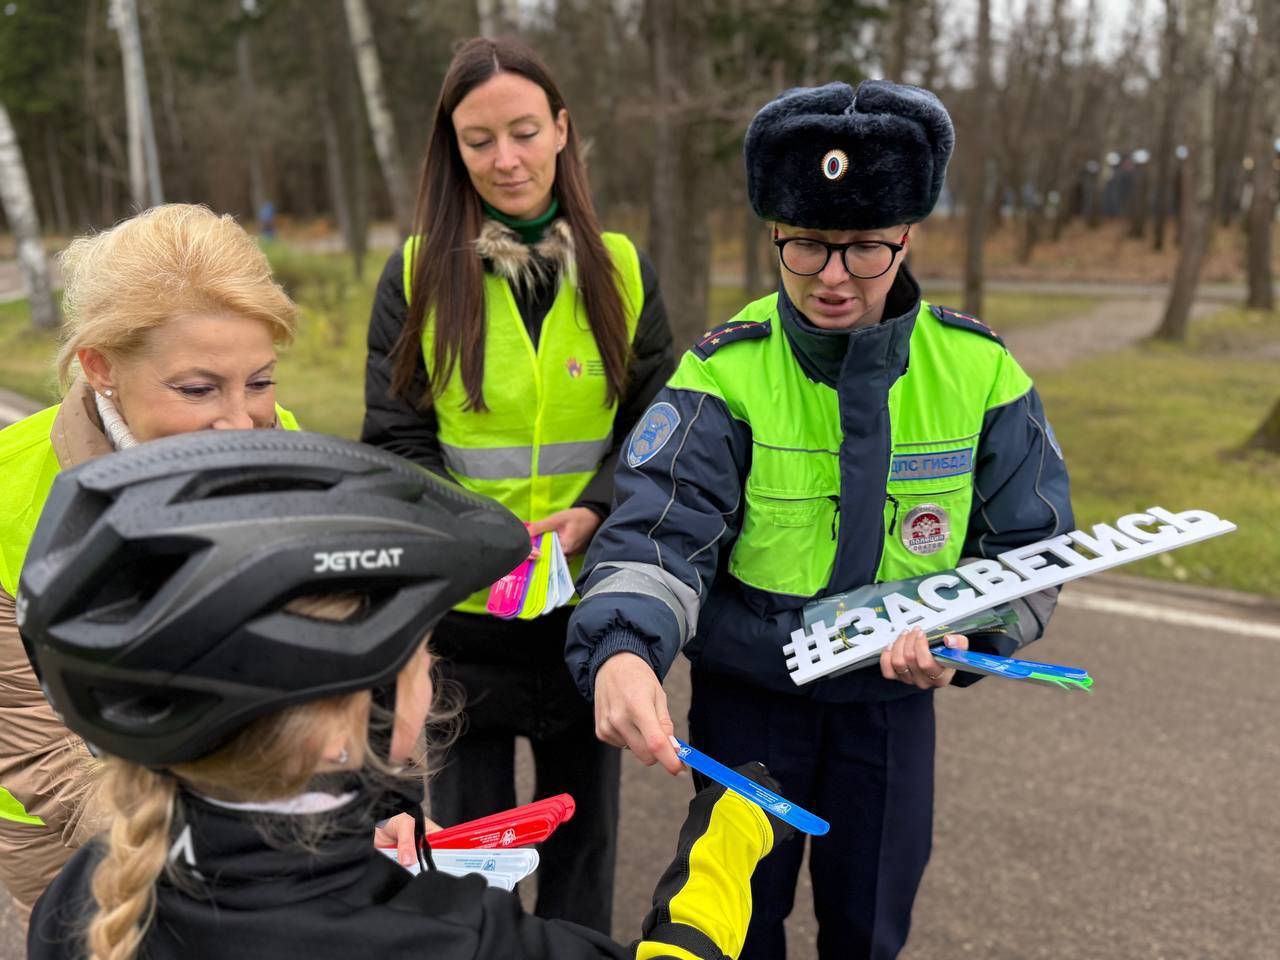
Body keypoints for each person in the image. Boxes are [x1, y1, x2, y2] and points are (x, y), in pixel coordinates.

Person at [565, 80, 1074, 959]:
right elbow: (657, 534)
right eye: (807, 248)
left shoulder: (980, 371)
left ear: (907, 236)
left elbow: (1032, 545)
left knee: (870, 928)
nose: (834, 278)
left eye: (864, 250)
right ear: (774, 236)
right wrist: (620, 648)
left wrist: (966, 634)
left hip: (891, 710)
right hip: (752, 707)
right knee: (733, 929)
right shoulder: (723, 375)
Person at [22, 430, 792, 960]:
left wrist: (357, 839)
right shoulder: (451, 940)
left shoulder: (92, 888)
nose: (434, 671)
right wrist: (728, 842)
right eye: (422, 652)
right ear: (337, 731)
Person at [360, 37, 674, 933]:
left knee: (585, 850)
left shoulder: (620, 267)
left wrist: (597, 510)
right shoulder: (418, 274)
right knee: (477, 858)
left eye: (526, 131)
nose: (506, 159)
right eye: (479, 139)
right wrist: (481, 536)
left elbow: (661, 427)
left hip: (591, 616)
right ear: (452, 151)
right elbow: (393, 443)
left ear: (563, 131)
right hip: (470, 625)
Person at [0, 203, 299, 925]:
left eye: (259, 380)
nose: (239, 422)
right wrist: (209, 845)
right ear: (100, 365)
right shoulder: (10, 491)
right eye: (198, 389)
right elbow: (31, 742)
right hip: (65, 816)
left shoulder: (286, 443)